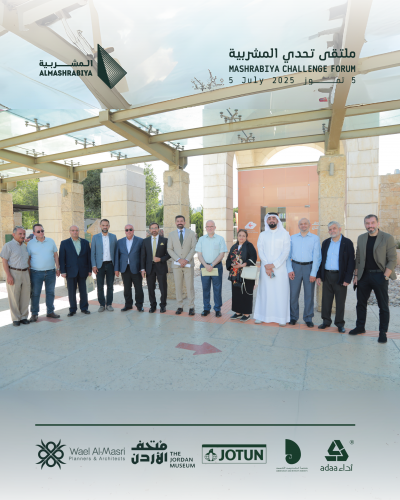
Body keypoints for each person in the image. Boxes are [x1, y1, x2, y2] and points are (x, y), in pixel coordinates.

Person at [350, 214, 397, 343]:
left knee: (383, 306)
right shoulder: (361, 238)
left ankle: (383, 332)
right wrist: (356, 276)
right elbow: (358, 258)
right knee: (361, 303)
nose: (370, 225)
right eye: (367, 223)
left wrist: (385, 276)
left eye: (372, 223)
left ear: (378, 223)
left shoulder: (387, 238)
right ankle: (360, 327)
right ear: (365, 224)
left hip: (380, 275)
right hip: (363, 276)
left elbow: (392, 259)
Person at [316, 221, 355, 333]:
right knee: (326, 300)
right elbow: (321, 260)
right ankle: (326, 321)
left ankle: (339, 324)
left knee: (340, 301)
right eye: (330, 229)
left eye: (334, 228)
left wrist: (348, 278)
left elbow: (351, 262)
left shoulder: (347, 242)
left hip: (340, 276)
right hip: (327, 275)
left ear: (339, 229)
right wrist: (319, 275)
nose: (332, 231)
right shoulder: (326, 242)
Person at [254, 213, 291, 326]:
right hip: (266, 270)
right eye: (269, 218)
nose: (271, 220)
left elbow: (286, 252)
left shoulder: (285, 234)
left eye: (273, 218)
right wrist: (267, 265)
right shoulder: (262, 235)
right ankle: (261, 316)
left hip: (280, 270)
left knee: (280, 293)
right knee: (264, 292)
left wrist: (273, 265)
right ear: (267, 221)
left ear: (277, 220)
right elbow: (260, 250)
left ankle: (281, 318)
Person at [287, 218, 322, 327]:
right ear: (298, 226)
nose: (303, 225)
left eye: (305, 223)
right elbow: (288, 255)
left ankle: (308, 318)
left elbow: (317, 257)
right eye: (301, 224)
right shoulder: (292, 238)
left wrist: (313, 273)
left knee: (309, 295)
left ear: (309, 225)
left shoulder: (315, 238)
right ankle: (293, 317)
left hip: (309, 267)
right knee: (293, 294)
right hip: (295, 267)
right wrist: (290, 269)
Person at [27, 224, 61, 322]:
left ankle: (50, 311)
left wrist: (58, 268)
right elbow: (28, 258)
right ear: (34, 233)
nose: (41, 232)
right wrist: (29, 272)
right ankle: (34, 314)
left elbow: (55, 255)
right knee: (35, 293)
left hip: (51, 272)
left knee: (50, 292)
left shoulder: (51, 241)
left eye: (42, 230)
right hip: (36, 273)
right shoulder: (30, 244)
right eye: (38, 231)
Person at [196, 220, 228, 317]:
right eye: (208, 226)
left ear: (215, 227)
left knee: (217, 289)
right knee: (205, 288)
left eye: (211, 226)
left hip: (216, 266)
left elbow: (222, 254)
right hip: (204, 266)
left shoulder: (220, 239)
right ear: (205, 228)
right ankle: (206, 308)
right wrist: (206, 265)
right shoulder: (201, 239)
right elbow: (199, 254)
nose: (209, 228)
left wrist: (212, 264)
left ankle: (217, 309)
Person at [0, 226, 30, 326]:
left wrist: (29, 273)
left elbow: (27, 260)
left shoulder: (24, 246)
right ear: (14, 235)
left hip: (25, 272)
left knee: (25, 296)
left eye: (24, 234)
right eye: (20, 234)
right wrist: (8, 275)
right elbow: (4, 261)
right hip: (14, 272)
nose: (22, 235)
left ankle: (24, 317)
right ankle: (16, 318)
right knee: (14, 296)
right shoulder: (8, 245)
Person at [59, 225, 92, 317]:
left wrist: (89, 270)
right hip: (70, 271)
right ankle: (72, 309)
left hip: (83, 270)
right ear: (70, 231)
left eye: (76, 230)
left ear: (79, 231)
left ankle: (84, 308)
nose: (75, 232)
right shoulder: (64, 243)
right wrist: (63, 271)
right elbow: (62, 258)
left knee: (83, 291)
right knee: (71, 292)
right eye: (73, 230)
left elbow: (89, 257)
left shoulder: (85, 242)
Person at [167, 215, 197, 315]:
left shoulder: (191, 233)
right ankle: (179, 306)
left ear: (184, 222)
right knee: (178, 286)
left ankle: (191, 307)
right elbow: (169, 249)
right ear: (175, 222)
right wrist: (179, 260)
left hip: (188, 264)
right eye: (178, 221)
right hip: (176, 265)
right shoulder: (171, 234)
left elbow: (194, 248)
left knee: (190, 286)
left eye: (181, 221)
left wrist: (186, 260)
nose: (180, 222)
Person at [226, 229, 258, 322]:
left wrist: (243, 264)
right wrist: (232, 265)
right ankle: (238, 312)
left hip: (246, 274)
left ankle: (246, 314)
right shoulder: (234, 246)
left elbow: (253, 258)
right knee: (236, 294)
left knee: (246, 293)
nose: (241, 237)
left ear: (246, 237)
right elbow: (228, 259)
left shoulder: (249, 246)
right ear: (237, 236)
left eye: (243, 236)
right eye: (240, 235)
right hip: (235, 274)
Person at [141, 222, 170, 313]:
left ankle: (163, 305)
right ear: (149, 230)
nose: (154, 230)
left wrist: (160, 259)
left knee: (163, 288)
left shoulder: (165, 240)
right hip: (149, 268)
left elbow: (169, 254)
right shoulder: (145, 241)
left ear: (158, 229)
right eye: (152, 228)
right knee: (150, 288)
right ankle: (153, 306)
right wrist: (143, 269)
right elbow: (143, 256)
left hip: (161, 267)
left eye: (155, 228)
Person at [115, 224, 144, 312]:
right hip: (125, 268)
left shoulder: (140, 241)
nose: (128, 231)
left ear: (133, 230)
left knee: (138, 288)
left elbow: (143, 256)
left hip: (137, 268)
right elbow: (117, 256)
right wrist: (116, 269)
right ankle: (128, 305)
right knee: (127, 288)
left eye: (130, 229)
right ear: (125, 231)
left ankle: (139, 305)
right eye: (126, 230)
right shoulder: (120, 242)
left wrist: (142, 268)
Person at [91, 219, 117, 312]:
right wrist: (94, 265)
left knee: (110, 286)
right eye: (103, 225)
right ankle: (102, 305)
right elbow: (93, 252)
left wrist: (116, 267)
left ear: (109, 226)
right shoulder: (95, 237)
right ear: (100, 226)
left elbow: (116, 253)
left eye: (106, 225)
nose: (105, 227)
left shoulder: (113, 237)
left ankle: (109, 304)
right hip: (99, 266)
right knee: (100, 286)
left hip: (111, 265)